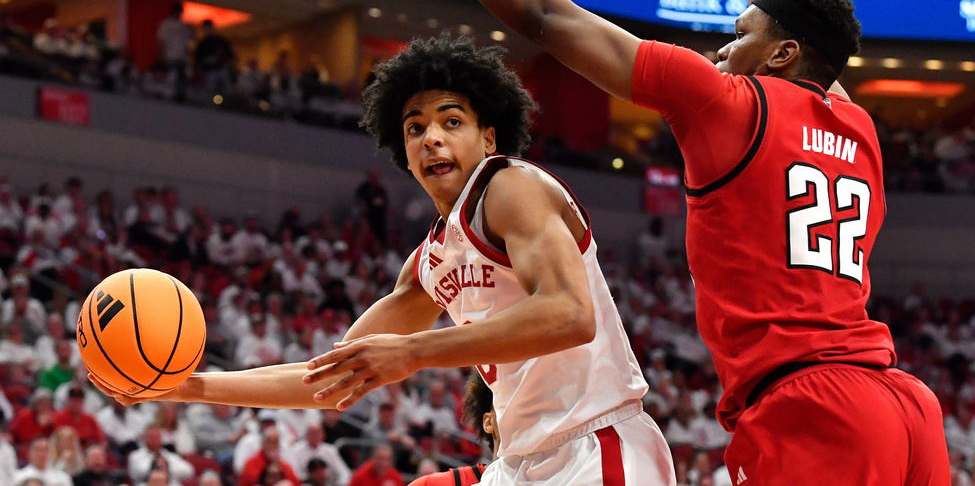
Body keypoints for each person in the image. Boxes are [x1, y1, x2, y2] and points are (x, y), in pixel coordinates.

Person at [341, 0, 948, 486]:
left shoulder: (726, 102)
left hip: (808, 406)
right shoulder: (857, 128)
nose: (724, 46)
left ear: (778, 55)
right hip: (903, 407)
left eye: (738, 33)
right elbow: (808, 41)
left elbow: (548, 16)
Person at [89, 32, 674, 485]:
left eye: (451, 121)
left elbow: (571, 315)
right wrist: (190, 388)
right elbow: (331, 378)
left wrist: (415, 352)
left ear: (489, 139)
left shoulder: (510, 186)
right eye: (414, 128)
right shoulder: (431, 263)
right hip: (520, 461)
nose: (431, 139)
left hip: (597, 447)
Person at [407, 372, 492, 486]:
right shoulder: (422, 410)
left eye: (440, 394)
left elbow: (454, 434)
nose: (437, 397)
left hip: (448, 449)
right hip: (430, 450)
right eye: (435, 394)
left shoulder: (447, 412)